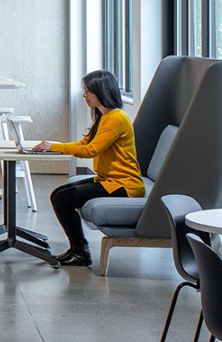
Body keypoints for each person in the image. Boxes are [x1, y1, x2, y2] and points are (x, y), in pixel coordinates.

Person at [35, 70, 143, 268]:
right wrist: (54, 146)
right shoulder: (105, 117)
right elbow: (85, 142)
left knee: (62, 199)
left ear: (101, 91)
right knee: (59, 194)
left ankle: (81, 252)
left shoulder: (116, 119)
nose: (85, 95)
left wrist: (54, 147)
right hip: (108, 180)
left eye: (88, 91)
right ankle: (77, 250)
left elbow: (91, 150)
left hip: (123, 185)